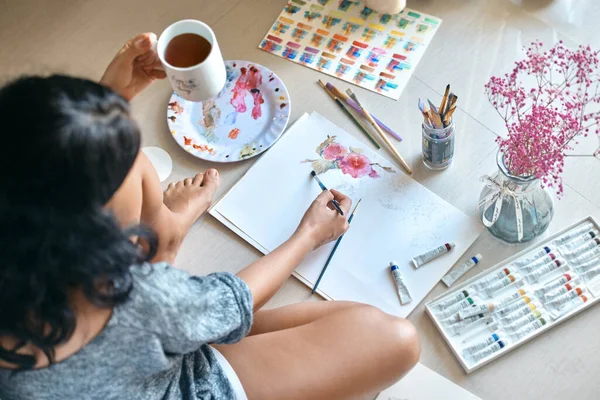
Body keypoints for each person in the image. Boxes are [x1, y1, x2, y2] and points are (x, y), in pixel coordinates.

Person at [0, 33, 420, 400]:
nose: (137, 158)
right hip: (186, 383)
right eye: (131, 160)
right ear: (107, 235)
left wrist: (108, 101)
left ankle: (168, 238)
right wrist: (307, 236)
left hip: (133, 366)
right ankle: (168, 238)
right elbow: (235, 300)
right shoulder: (138, 299)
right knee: (397, 339)